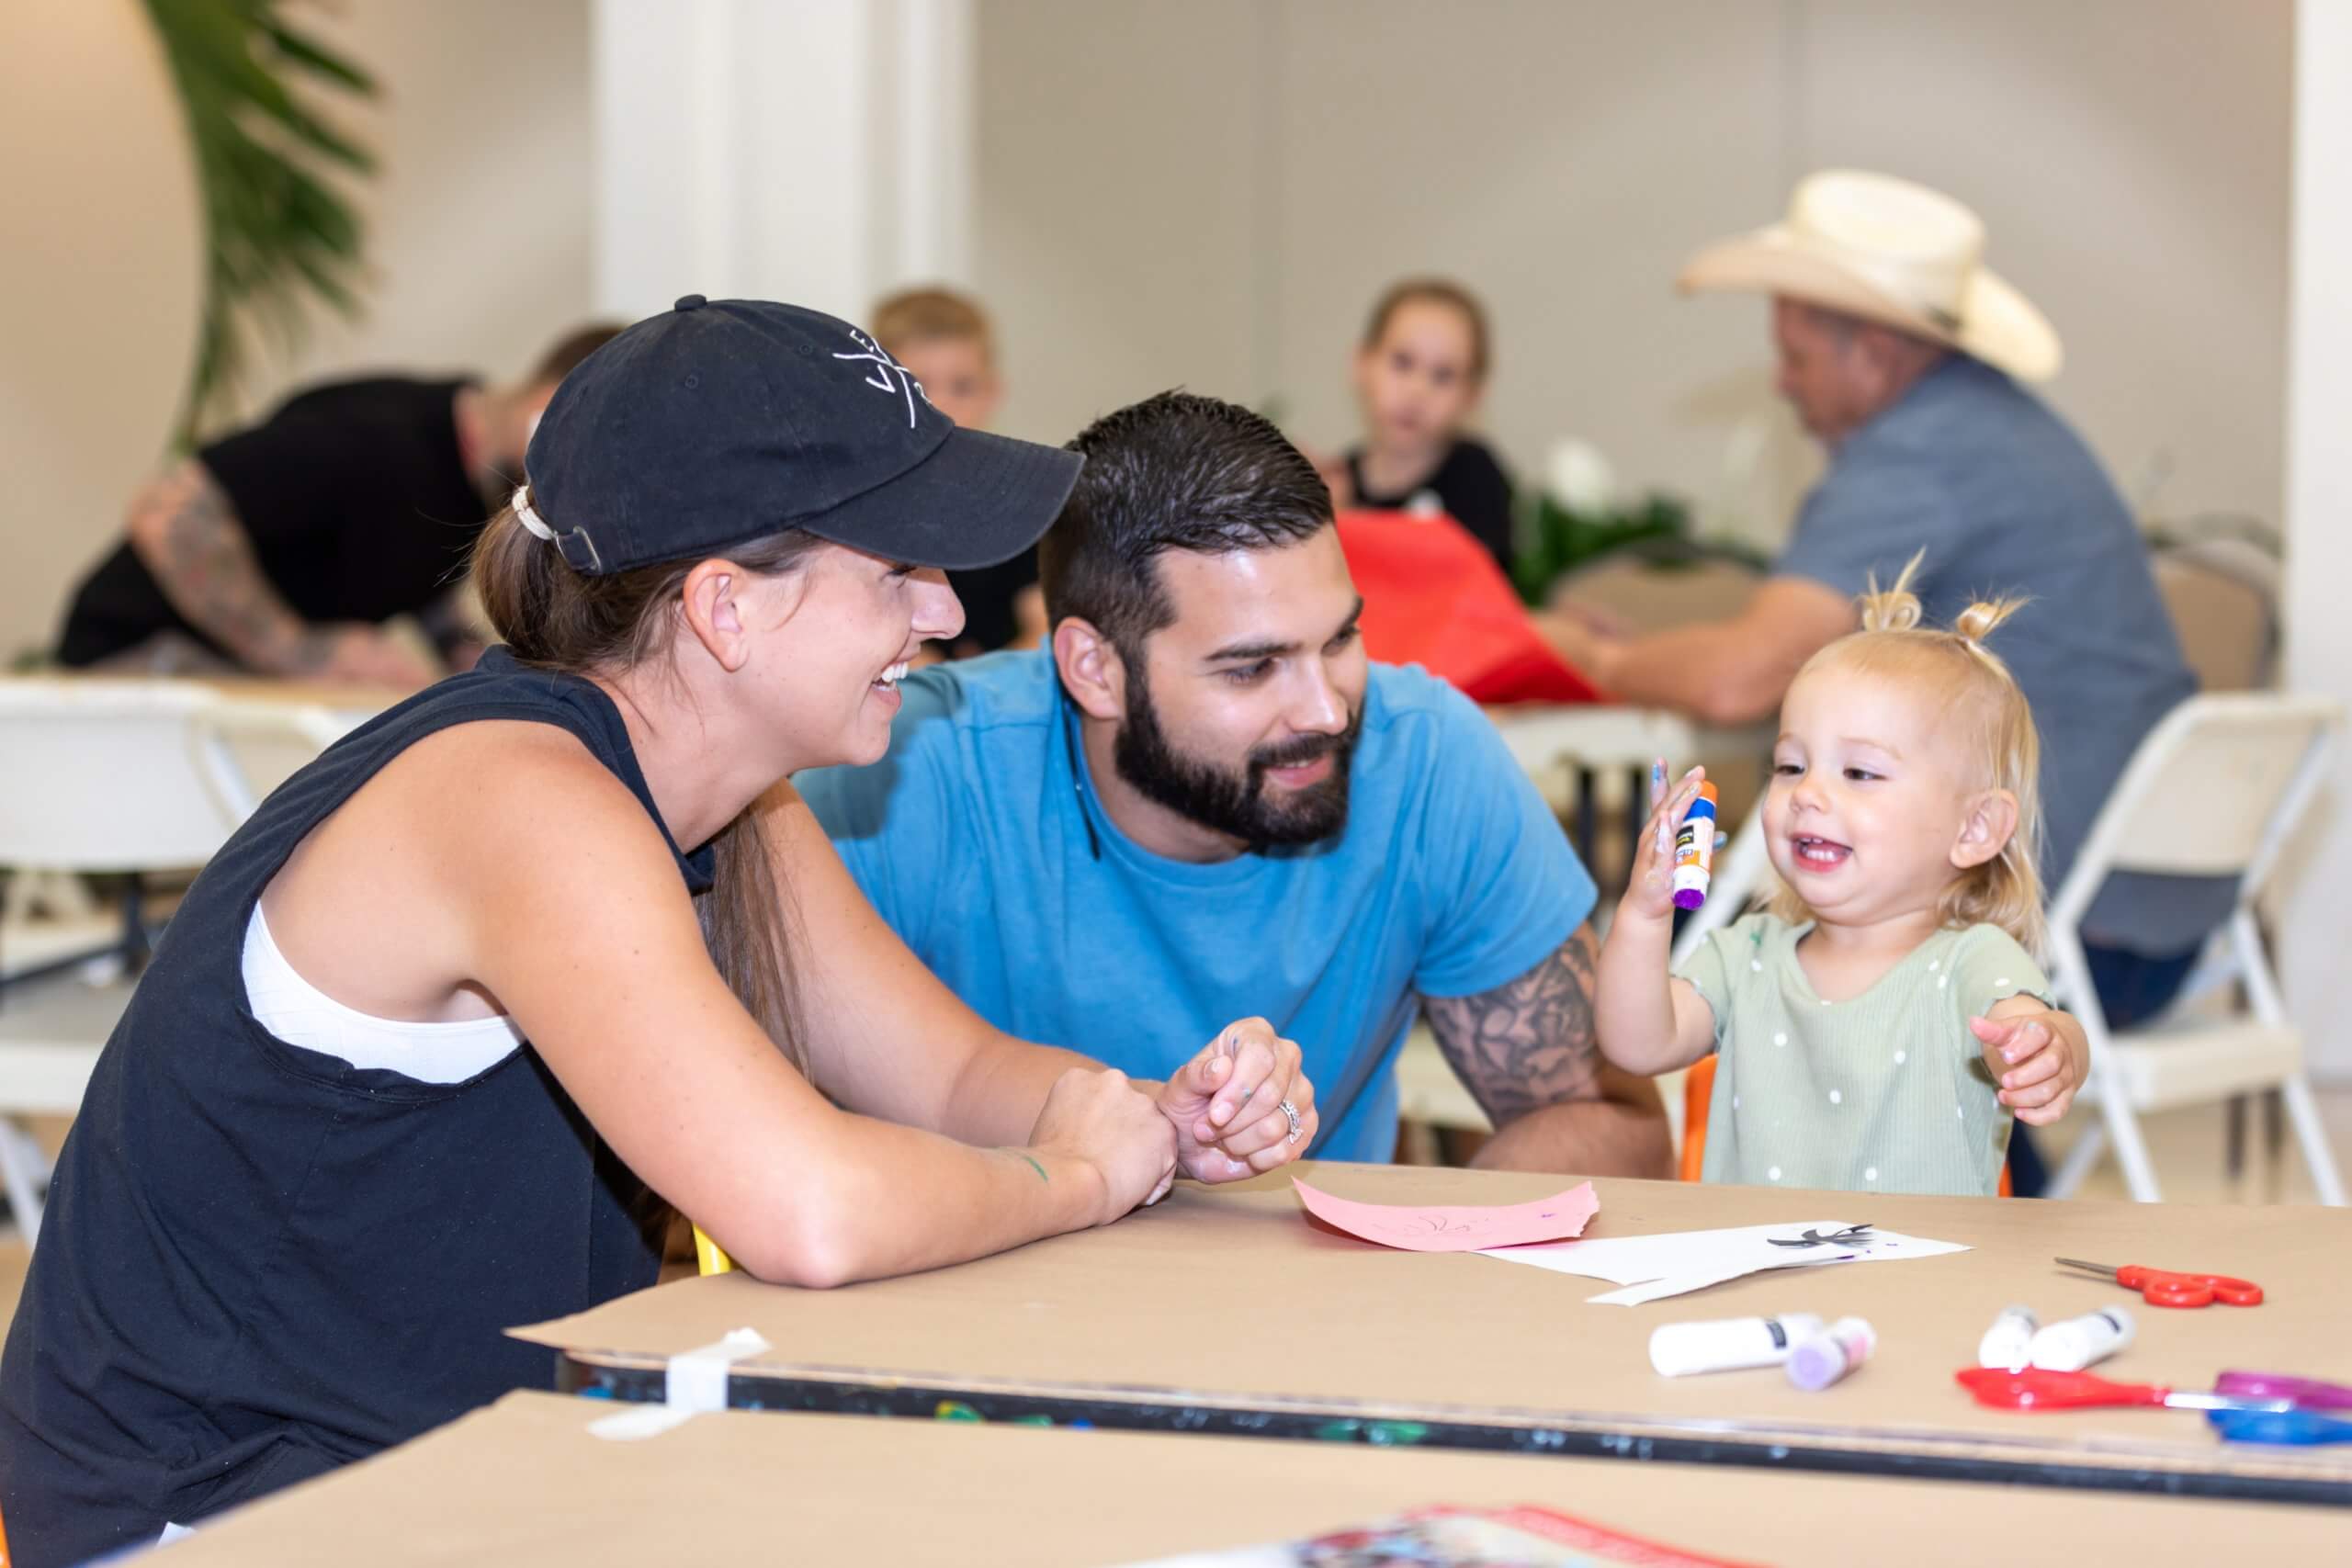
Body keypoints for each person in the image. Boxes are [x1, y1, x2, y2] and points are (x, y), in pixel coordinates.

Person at [0, 299, 1316, 1565]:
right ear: (725, 608)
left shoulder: (724, 795)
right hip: (225, 1508)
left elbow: (953, 1076)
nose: (948, 615)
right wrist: (1074, 1177)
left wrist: (1145, 1119)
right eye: (899, 570)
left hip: (449, 1466)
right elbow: (810, 1207)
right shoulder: (523, 802)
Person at [1539, 172, 2211, 1190]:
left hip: (2076, 919)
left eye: (1795, 353)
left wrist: (1591, 659)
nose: (1778, 381)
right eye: (1794, 765)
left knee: (1921, 999)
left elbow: (1742, 674)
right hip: (2158, 901)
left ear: (1878, 350)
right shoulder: (2003, 428)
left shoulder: (1921, 449)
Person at [800, 390, 1669, 1177]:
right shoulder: (901, 775)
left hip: (1305, 1325)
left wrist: (1422, 1280)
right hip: (968, 1312)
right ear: (1093, 670)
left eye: (1339, 641)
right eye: (1252, 668)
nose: (1327, 709)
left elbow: (1606, 1123)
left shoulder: (1426, 758)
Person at [1596, 565, 2087, 1196]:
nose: (1808, 794)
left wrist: (2048, 1050)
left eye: (1859, 772)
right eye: (1790, 764)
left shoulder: (1971, 961)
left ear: (1975, 827)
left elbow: (2030, 1025)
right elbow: (1636, 1043)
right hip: (1753, 1276)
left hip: (1916, 1285)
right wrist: (1642, 916)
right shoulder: (1747, 953)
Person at [53, 323, 623, 687]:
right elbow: (167, 511)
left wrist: (461, 654)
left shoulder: (479, 478)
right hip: (129, 661)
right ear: (552, 409)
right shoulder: (375, 439)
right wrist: (302, 652)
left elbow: (399, 564)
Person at [871, 286, 1038, 659]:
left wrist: (966, 685)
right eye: (919, 387)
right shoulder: (859, 508)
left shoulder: (1024, 504)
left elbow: (1044, 630)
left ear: (992, 392)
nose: (942, 407)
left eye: (962, 387)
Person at [1323, 277, 1517, 575]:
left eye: (1443, 375)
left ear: (1472, 396)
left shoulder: (1475, 474)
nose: (1417, 391)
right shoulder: (1338, 481)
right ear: (1362, 363)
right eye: (1402, 362)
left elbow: (1463, 582)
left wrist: (1350, 523)